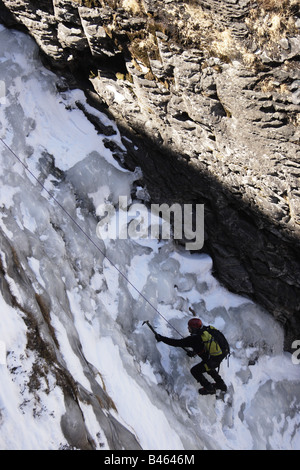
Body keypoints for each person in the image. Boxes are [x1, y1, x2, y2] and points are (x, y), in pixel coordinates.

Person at [155, 316, 228, 395]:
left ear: (194, 329)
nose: (188, 328)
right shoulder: (206, 331)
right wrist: (194, 352)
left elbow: (176, 343)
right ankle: (221, 384)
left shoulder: (193, 339)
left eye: (189, 327)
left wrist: (162, 338)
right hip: (220, 354)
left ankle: (209, 388)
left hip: (213, 359)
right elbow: (202, 346)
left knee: (195, 371)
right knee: (208, 366)